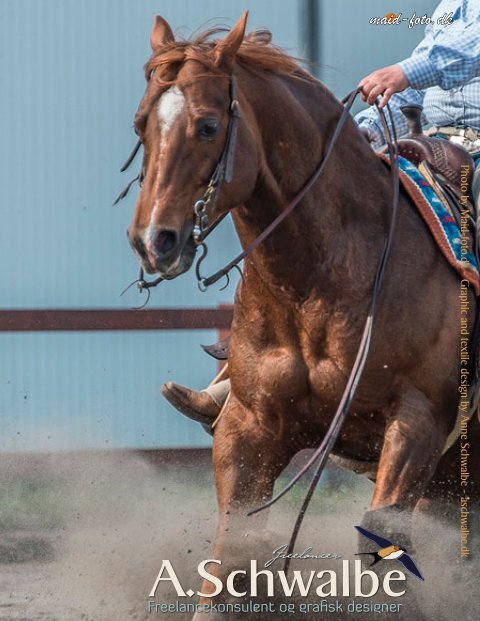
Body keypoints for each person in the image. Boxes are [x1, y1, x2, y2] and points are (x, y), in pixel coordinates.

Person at [162, 0, 480, 427]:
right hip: (428, 138)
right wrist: (361, 132)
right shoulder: (450, 7)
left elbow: (463, 53)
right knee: (329, 217)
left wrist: (405, 71)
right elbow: (421, 90)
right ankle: (242, 376)